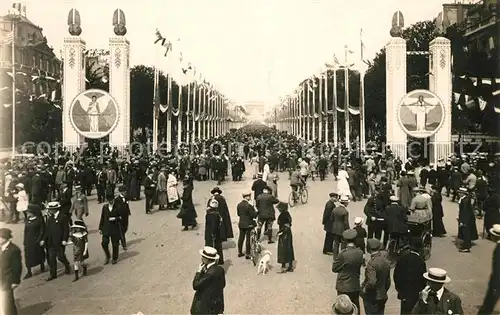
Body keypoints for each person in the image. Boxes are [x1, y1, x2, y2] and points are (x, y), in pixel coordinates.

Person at [332, 229, 364, 310]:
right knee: (355, 308)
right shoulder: (360, 253)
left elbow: (334, 268)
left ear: (345, 240)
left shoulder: (343, 254)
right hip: (355, 285)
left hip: (343, 286)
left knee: (342, 308)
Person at [190, 246, 226, 315]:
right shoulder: (220, 269)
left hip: (203, 308)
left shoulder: (209, 274)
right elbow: (222, 285)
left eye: (203, 257)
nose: (201, 258)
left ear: (208, 259)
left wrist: (199, 272)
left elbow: (195, 285)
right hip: (215, 307)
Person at [394, 241, 427, 314]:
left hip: (404, 293)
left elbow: (396, 276)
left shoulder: (402, 258)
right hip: (415, 294)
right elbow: (424, 279)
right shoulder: (421, 261)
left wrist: (399, 289)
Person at [362, 238, 391, 315]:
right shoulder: (386, 261)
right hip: (382, 295)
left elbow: (372, 282)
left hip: (372, 297)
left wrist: (365, 289)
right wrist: (384, 290)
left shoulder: (372, 263)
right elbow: (388, 281)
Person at [44, 201, 71, 281]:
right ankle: (53, 274)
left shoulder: (63, 217)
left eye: (51, 209)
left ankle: (67, 264)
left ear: (55, 209)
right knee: (51, 258)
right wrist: (44, 239)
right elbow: (47, 230)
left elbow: (66, 230)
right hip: (51, 242)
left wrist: (64, 239)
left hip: (59, 242)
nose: (49, 211)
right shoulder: (50, 218)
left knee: (60, 257)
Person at [478, 224, 500, 314]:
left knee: (489, 301)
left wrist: (494, 285)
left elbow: (498, 268)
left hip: (497, 280)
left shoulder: (498, 250)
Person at [0, 228, 22, 315]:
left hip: (7, 280)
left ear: (4, 238)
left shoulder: (14, 250)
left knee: (8, 303)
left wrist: (15, 281)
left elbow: (17, 267)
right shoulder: (1, 247)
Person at [23, 204, 46, 279]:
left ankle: (42, 265)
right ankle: (29, 271)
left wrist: (40, 239)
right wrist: (24, 240)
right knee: (28, 256)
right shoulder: (27, 219)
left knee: (39, 254)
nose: (27, 213)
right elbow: (25, 231)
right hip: (28, 241)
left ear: (33, 212)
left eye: (28, 212)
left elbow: (42, 231)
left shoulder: (39, 219)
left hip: (36, 240)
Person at [98, 192, 121, 265]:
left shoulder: (118, 206)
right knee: (104, 243)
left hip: (114, 228)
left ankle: (114, 258)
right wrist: (100, 228)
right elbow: (102, 217)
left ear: (113, 199)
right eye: (109, 200)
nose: (110, 202)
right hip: (106, 228)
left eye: (111, 200)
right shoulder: (104, 207)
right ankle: (108, 256)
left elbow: (121, 217)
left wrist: (115, 218)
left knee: (115, 244)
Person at [236, 191, 257, 259]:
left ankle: (240, 252)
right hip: (248, 224)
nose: (250, 197)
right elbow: (253, 215)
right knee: (248, 239)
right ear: (247, 197)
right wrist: (256, 212)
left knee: (241, 238)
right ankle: (247, 253)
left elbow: (238, 214)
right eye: (249, 196)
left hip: (241, 223)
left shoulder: (239, 205)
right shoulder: (249, 206)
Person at [457, 187, 478, 253]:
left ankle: (466, 247)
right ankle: (466, 243)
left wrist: (463, 221)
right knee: (466, 231)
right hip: (468, 218)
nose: (459, 194)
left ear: (463, 193)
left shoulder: (464, 201)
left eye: (460, 193)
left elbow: (465, 212)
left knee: (465, 232)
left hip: (466, 219)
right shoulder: (464, 199)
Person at [276, 201, 295, 273]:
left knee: (283, 249)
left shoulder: (283, 215)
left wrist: (281, 232)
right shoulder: (287, 214)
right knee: (289, 248)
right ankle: (289, 265)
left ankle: (284, 266)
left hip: (284, 234)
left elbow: (286, 225)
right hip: (288, 234)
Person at [205, 199, 224, 265]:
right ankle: (219, 260)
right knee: (217, 247)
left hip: (210, 234)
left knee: (211, 247)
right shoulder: (216, 215)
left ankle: (211, 261)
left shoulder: (209, 214)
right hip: (216, 233)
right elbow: (215, 225)